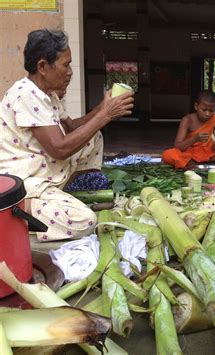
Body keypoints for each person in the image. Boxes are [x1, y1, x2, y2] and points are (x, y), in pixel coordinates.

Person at [0, 29, 134, 241]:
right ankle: (16, 209)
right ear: (43, 67)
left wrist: (103, 107)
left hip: (47, 170)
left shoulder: (48, 94)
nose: (70, 71)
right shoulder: (25, 93)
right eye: (66, 64)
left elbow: (71, 128)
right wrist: (105, 115)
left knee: (93, 138)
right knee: (85, 221)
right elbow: (60, 149)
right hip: (27, 182)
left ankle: (64, 193)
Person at [162, 90, 215, 168]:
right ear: (196, 106)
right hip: (191, 154)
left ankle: (192, 163)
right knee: (168, 154)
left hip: (211, 153)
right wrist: (195, 138)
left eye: (211, 111)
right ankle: (194, 162)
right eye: (204, 110)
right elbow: (178, 146)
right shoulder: (188, 120)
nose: (207, 114)